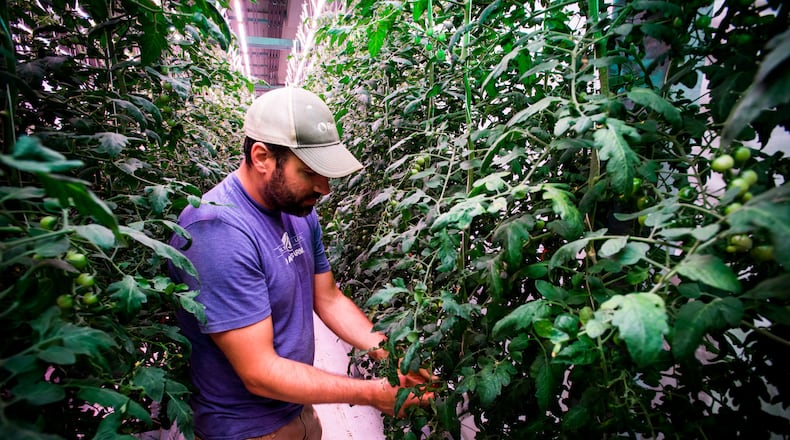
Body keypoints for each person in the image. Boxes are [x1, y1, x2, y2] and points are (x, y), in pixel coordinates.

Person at [168, 87, 433, 440]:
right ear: (262, 157)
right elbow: (259, 371)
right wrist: (371, 393)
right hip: (245, 428)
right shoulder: (216, 233)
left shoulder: (296, 209)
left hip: (294, 406)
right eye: (309, 172)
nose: (324, 188)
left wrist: (393, 355)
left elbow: (328, 298)